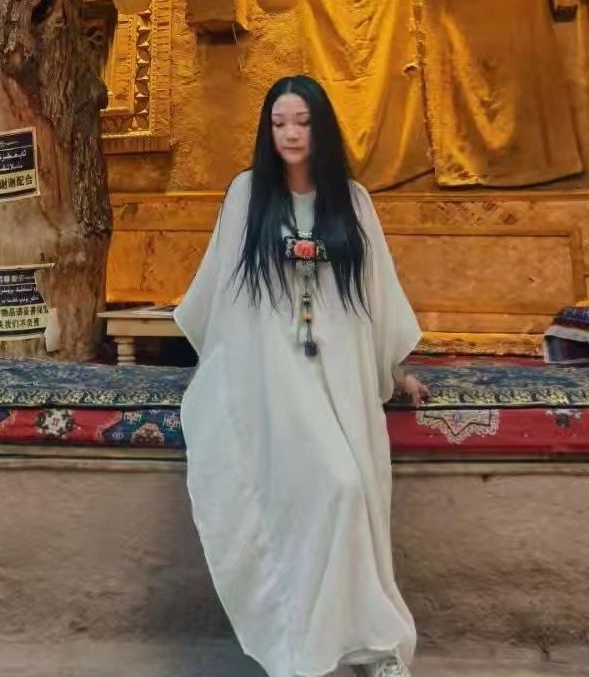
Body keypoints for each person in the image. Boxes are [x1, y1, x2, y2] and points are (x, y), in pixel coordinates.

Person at [174, 75, 430, 677]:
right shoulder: (246, 195)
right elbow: (223, 296)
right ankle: (304, 641)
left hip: (340, 373)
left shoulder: (353, 201)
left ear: (322, 128)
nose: (290, 133)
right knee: (337, 486)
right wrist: (234, 373)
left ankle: (370, 647)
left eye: (302, 122)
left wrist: (392, 368)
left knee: (357, 493)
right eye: (279, 122)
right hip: (272, 376)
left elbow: (376, 294)